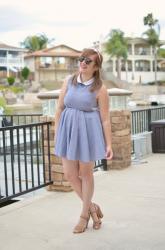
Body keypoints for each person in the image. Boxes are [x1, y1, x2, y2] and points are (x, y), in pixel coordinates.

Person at [54, 48, 113, 233]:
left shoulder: (100, 89)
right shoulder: (68, 82)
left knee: (86, 174)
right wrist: (57, 133)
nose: (83, 63)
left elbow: (105, 119)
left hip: (88, 133)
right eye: (82, 59)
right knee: (70, 174)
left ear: (96, 67)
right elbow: (59, 108)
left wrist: (109, 144)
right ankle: (92, 207)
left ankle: (83, 215)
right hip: (68, 131)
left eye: (88, 61)